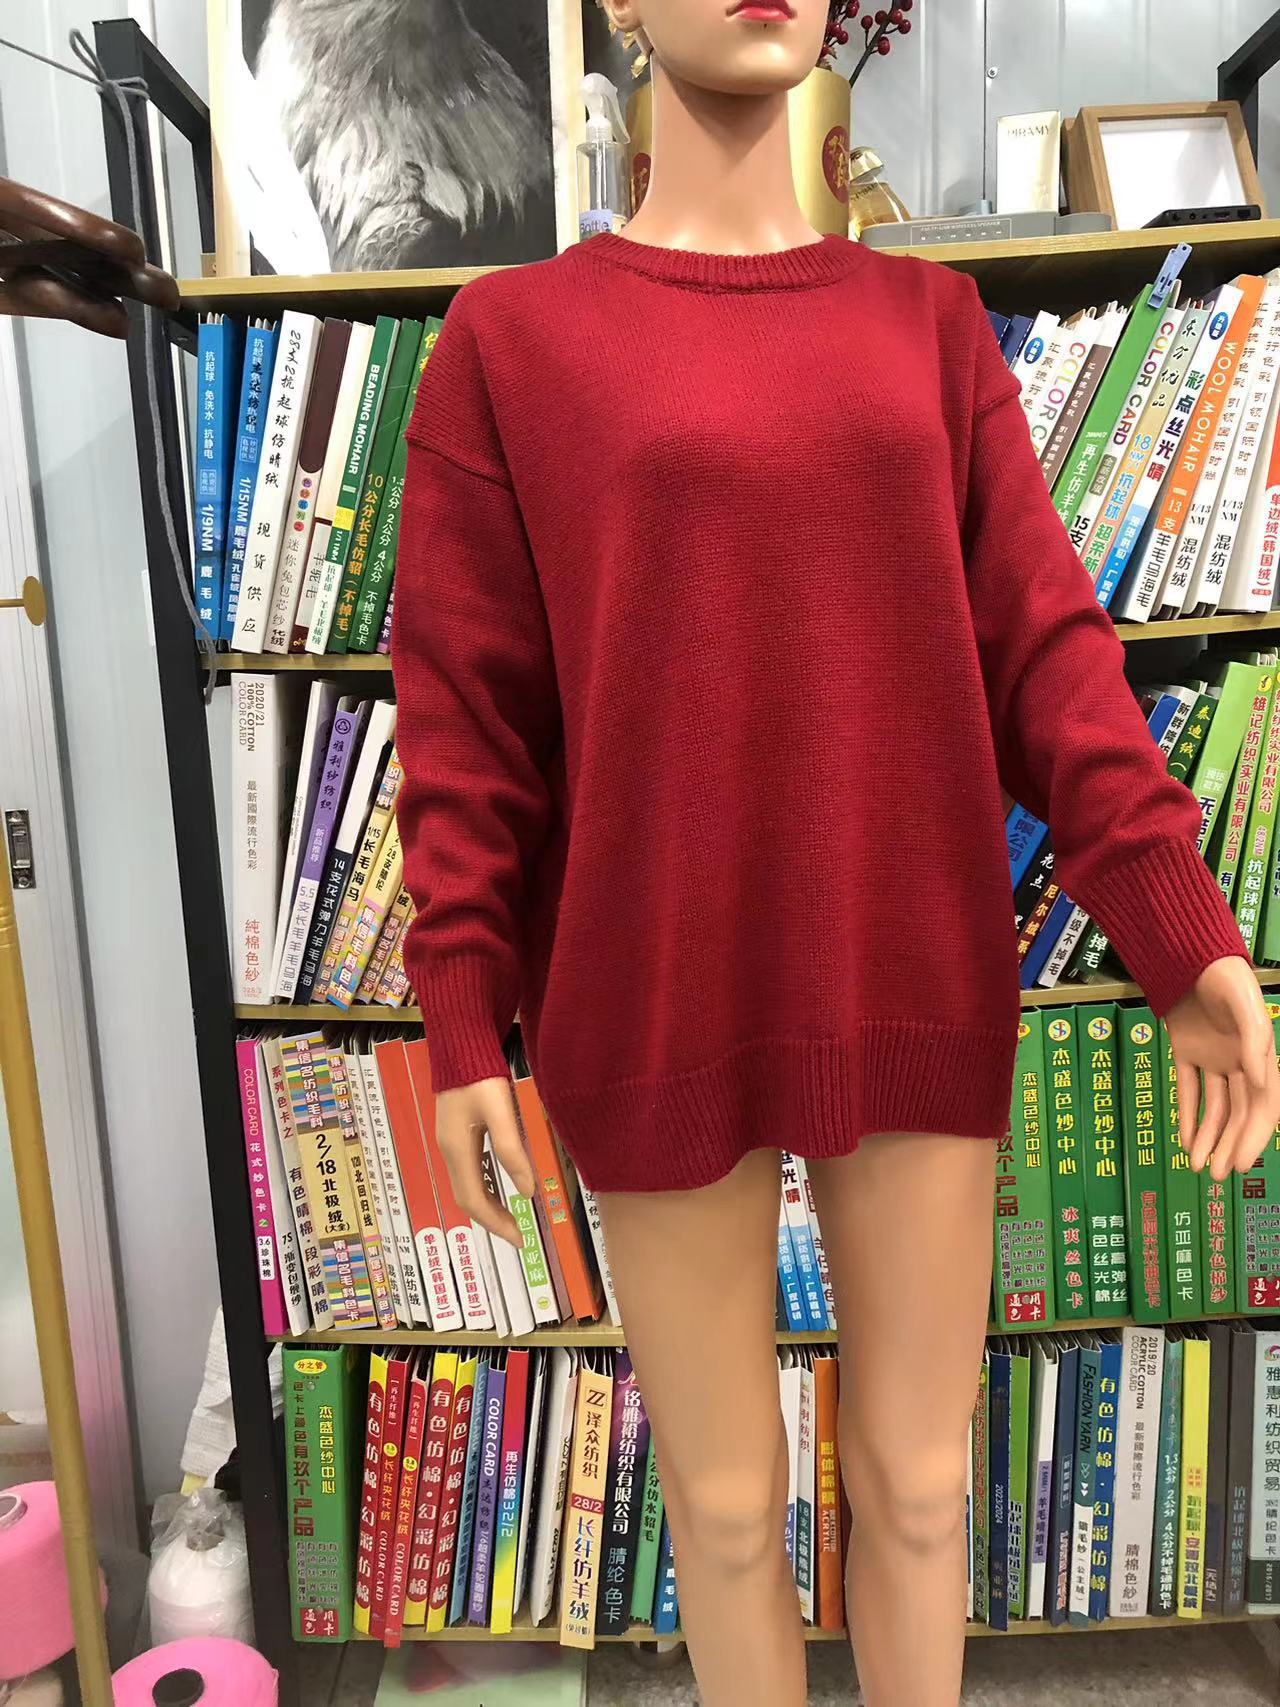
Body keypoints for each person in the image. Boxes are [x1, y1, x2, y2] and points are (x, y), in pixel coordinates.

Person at [390, 3, 1280, 1701]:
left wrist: (1179, 930)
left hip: (909, 960)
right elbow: (467, 713)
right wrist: (460, 1010)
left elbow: (1045, 648)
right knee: (727, 1513)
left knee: (921, 1490)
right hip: (654, 984)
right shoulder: (511, 343)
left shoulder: (927, 329)